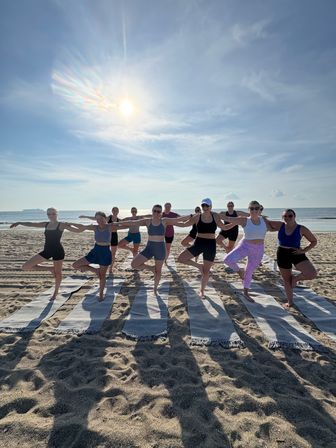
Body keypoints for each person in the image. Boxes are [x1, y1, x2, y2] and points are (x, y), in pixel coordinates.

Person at [10, 208, 82, 300]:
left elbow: (79, 231)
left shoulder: (61, 225)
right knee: (26, 266)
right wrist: (19, 222)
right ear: (47, 215)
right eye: (49, 214)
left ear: (57, 214)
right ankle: (50, 268)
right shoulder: (46, 224)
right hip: (47, 251)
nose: (51, 216)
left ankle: (55, 292)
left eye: (53, 214)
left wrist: (72, 224)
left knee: (58, 274)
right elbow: (32, 224)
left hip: (58, 251)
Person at [115, 205, 190, 293]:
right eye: (155, 211)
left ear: (161, 213)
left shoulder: (164, 221)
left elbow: (178, 220)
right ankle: (151, 268)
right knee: (134, 264)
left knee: (158, 272)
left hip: (160, 249)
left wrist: (192, 216)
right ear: (152, 211)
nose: (156, 213)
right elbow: (133, 222)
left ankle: (155, 289)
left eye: (158, 211)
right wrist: (116, 223)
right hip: (149, 248)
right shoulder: (147, 221)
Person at [177, 198, 235, 299]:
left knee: (206, 271)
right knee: (181, 258)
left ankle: (202, 291)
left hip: (210, 245)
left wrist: (237, 222)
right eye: (203, 206)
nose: (205, 207)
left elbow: (224, 227)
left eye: (207, 206)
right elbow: (184, 224)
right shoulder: (197, 216)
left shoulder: (215, 216)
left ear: (211, 206)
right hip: (199, 243)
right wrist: (169, 222)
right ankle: (198, 266)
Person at [221, 200, 274, 301]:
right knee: (227, 259)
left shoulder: (264, 220)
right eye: (252, 208)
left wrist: (288, 224)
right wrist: (213, 213)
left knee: (249, 270)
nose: (254, 210)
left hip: (258, 249)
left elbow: (275, 226)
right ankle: (239, 270)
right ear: (248, 210)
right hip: (245, 245)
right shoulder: (244, 220)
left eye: (256, 208)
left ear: (260, 210)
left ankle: (246, 292)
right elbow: (227, 218)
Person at [266, 209, 317, 308]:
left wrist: (304, 250)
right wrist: (256, 212)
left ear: (294, 216)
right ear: (282, 217)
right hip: (282, 253)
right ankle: (290, 302)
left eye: (290, 216)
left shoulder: (301, 228)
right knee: (286, 280)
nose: (287, 218)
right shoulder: (280, 225)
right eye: (285, 216)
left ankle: (296, 278)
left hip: (296, 253)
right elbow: (266, 222)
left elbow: (313, 241)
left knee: (312, 274)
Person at [72, 212, 123, 300]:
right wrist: (69, 224)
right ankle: (95, 270)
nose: (99, 221)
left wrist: (139, 221)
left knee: (102, 276)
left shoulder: (110, 226)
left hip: (105, 252)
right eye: (97, 219)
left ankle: (101, 294)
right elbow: (82, 226)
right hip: (96, 250)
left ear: (105, 218)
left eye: (101, 219)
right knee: (75, 265)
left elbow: (125, 224)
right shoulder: (95, 227)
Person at [79, 207, 121, 273]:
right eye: (114, 210)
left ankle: (111, 268)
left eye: (116, 210)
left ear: (118, 211)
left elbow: (124, 223)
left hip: (114, 236)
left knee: (113, 254)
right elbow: (96, 218)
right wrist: (85, 216)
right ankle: (93, 266)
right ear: (112, 211)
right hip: (104, 235)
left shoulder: (119, 220)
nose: (115, 211)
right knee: (101, 252)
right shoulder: (108, 218)